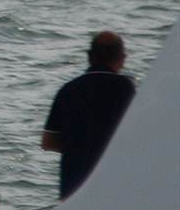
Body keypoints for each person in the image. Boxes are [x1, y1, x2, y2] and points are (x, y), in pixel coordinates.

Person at [41, 30, 137, 198]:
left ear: (89, 56)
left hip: (73, 182)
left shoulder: (68, 90)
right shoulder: (126, 89)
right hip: (114, 180)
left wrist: (78, 146)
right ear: (121, 58)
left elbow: (48, 142)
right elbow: (139, 136)